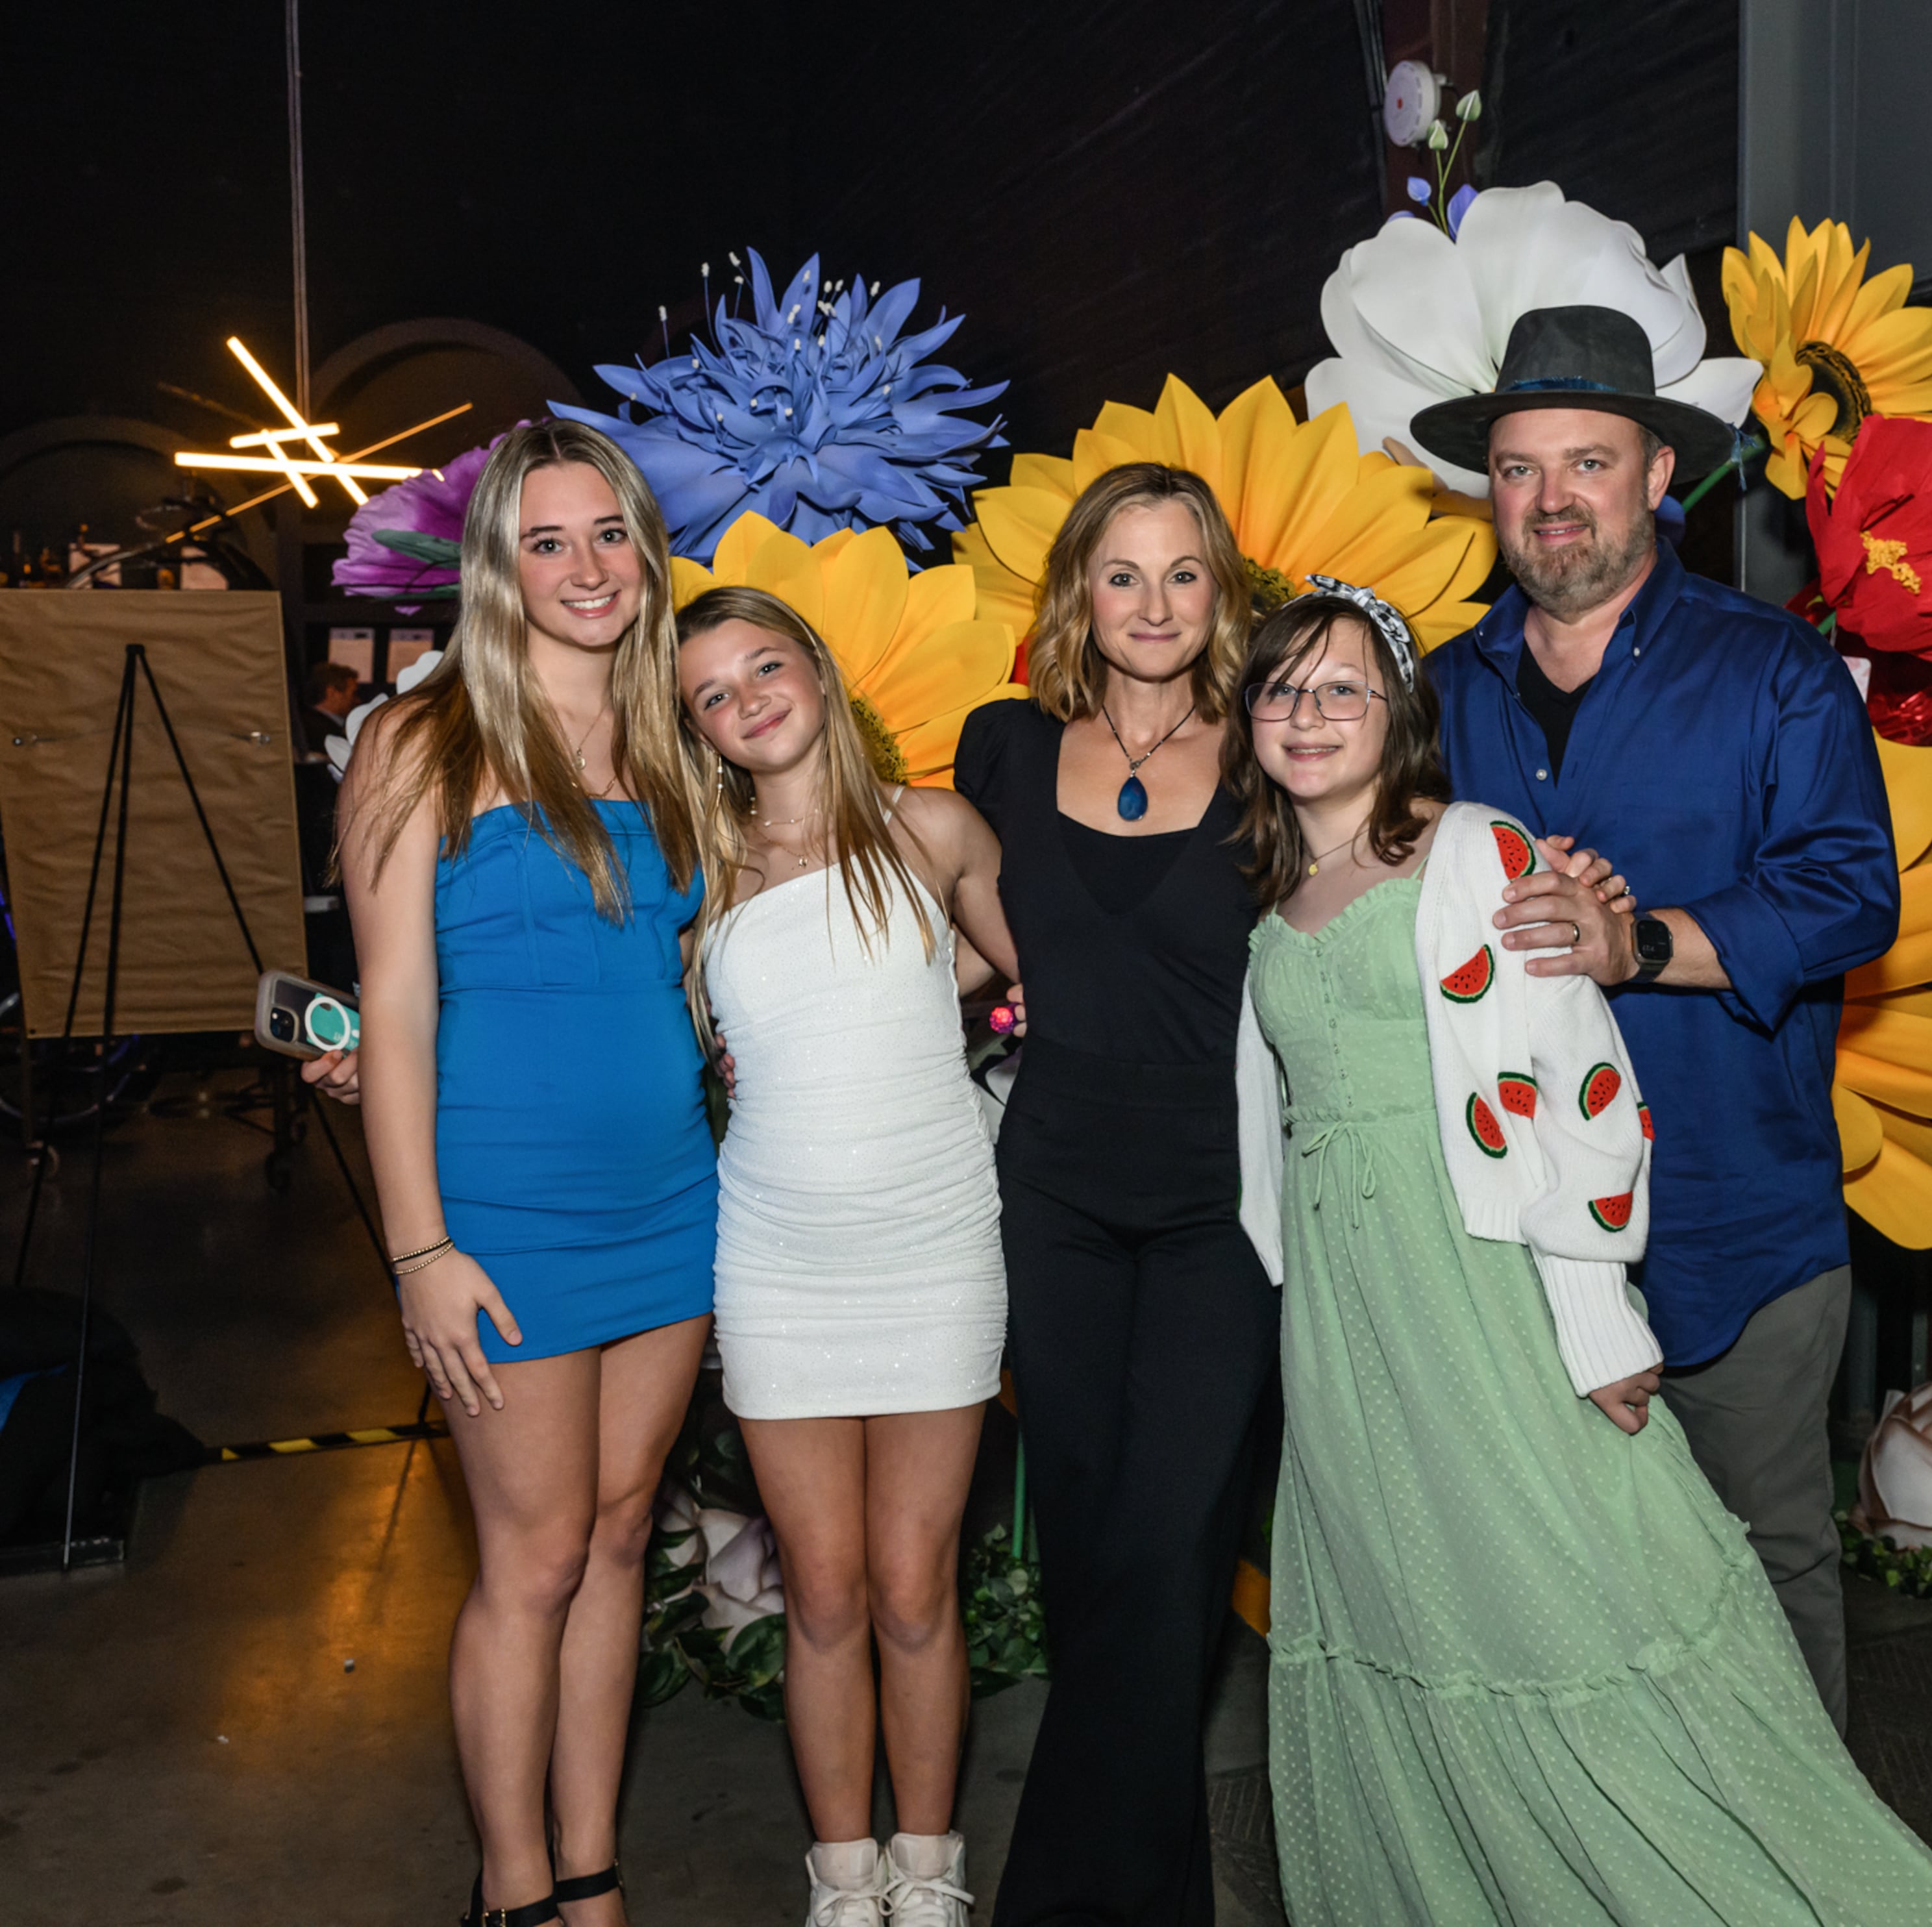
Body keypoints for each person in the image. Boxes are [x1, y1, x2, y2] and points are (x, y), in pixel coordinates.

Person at [1228, 585, 1932, 1926]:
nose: (1309, 713)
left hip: (1476, 1280)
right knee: (1407, 1600)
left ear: (1399, 715)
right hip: (1346, 1315)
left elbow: (1584, 1085)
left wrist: (1593, 1316)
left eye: (1344, 687)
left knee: (1571, 1588)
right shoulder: (1274, 889)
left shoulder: (1476, 849)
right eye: (1282, 689)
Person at [1411, 305, 1902, 1732]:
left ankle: (1799, 1845)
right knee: (1558, 1589)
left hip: (1729, 1218)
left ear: (1657, 475)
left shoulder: (1772, 670)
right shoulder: (1439, 691)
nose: (1551, 498)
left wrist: (1641, 943)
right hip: (1515, 1234)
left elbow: (1850, 896)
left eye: (1589, 462)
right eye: (1519, 468)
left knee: (1766, 1569)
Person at [338, 418, 715, 1927]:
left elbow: (692, 968)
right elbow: (395, 1007)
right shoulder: (420, 741)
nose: (586, 566)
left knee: (620, 1536)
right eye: (547, 541)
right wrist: (420, 1250)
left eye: (609, 532)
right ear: (498, 565)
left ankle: (591, 1868)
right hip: (503, 1215)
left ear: (647, 550)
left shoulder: (675, 735)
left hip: (672, 1198)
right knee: (536, 1552)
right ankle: (512, 1887)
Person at [950, 462, 1276, 1927]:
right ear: (1079, 589)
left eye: (1184, 573)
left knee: (1168, 1544)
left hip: (1226, 1203)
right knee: (1097, 1559)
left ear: (1222, 594)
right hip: (1055, 1198)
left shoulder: (1276, 746)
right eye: (1124, 573)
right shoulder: (1007, 745)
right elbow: (952, 946)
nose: (1154, 604)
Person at [671, 584, 1013, 1927]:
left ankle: (929, 1869)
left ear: (816, 667)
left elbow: (1034, 971)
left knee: (916, 1589)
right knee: (820, 1595)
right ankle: (843, 1877)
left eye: (765, 665)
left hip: (936, 1247)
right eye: (713, 692)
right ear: (697, 728)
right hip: (777, 1263)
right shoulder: (706, 875)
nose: (748, 699)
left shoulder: (934, 827)